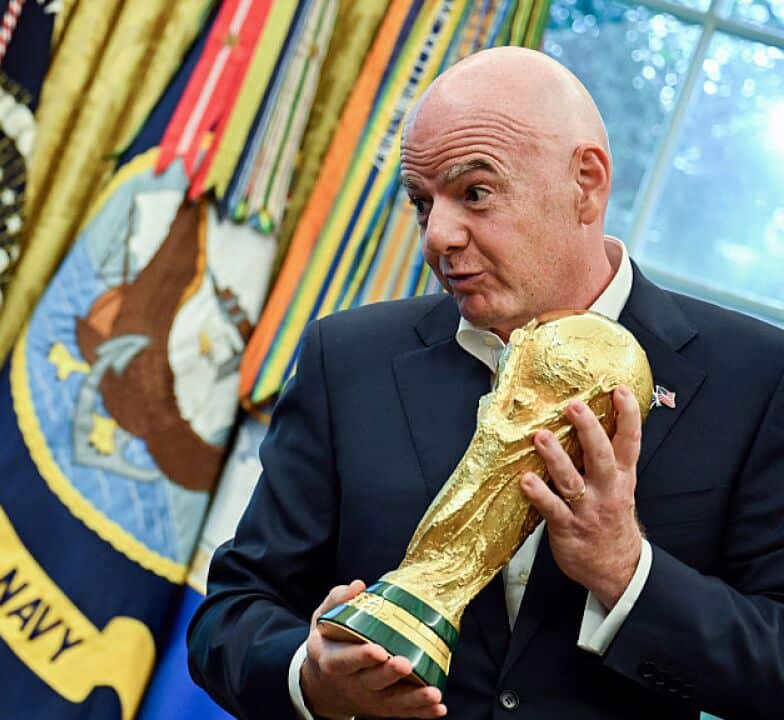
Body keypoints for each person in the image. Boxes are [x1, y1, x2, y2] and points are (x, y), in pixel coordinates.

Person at [188, 47, 784, 720]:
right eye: (421, 202)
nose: (438, 235)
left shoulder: (758, 379)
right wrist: (313, 677)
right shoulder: (348, 356)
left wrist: (626, 572)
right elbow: (230, 616)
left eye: (474, 192)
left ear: (584, 183)